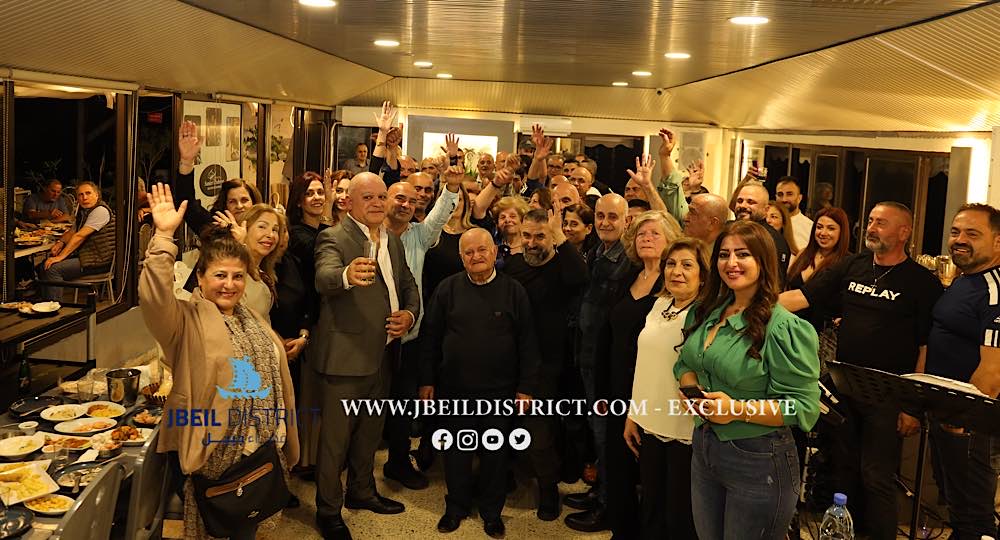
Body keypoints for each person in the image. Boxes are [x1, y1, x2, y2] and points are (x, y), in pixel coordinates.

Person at [140, 184, 299, 539]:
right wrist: (163, 238)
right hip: (213, 459)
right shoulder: (185, 320)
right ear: (200, 277)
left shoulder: (250, 316)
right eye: (220, 275)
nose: (230, 284)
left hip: (257, 454)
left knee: (245, 531)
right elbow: (154, 298)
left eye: (237, 276)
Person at [779, 201, 943, 539]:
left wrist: (912, 407)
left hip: (888, 394)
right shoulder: (853, 265)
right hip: (845, 386)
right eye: (870, 220)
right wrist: (745, 304)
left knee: (876, 476)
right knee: (843, 470)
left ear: (904, 232)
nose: (871, 228)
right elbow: (803, 298)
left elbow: (926, 347)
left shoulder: (921, 282)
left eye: (881, 223)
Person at [675, 220, 820, 540]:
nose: (731, 263)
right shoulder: (707, 310)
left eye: (743, 254)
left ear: (763, 261)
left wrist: (737, 410)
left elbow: (802, 407)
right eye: (723, 254)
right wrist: (689, 389)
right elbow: (685, 361)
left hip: (759, 459)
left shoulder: (783, 327)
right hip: (705, 448)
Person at [311, 172, 420, 540]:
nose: (377, 203)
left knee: (370, 434)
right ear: (349, 202)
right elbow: (324, 277)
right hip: (346, 357)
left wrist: (409, 315)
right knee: (335, 442)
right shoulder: (334, 237)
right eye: (368, 197)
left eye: (381, 196)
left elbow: (408, 285)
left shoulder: (393, 240)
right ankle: (328, 511)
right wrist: (346, 274)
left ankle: (361, 491)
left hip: (384, 354)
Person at [419, 228, 540, 539]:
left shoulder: (514, 291)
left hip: (500, 392)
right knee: (456, 453)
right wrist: (426, 381)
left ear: (494, 252)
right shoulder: (447, 289)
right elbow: (430, 338)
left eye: (482, 250)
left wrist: (525, 387)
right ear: (462, 258)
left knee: (494, 455)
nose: (476, 257)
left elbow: (528, 342)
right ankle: (456, 507)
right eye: (469, 252)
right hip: (454, 390)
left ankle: (491, 512)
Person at [504, 208, 589, 521]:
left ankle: (548, 489)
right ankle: (508, 475)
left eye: (540, 236)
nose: (531, 242)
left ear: (552, 237)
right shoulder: (513, 266)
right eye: (526, 235)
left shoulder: (563, 266)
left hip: (547, 364)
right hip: (512, 361)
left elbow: (581, 277)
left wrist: (560, 236)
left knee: (540, 432)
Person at [381, 158, 461, 491]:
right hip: (374, 336)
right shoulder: (371, 234)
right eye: (399, 198)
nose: (405, 205)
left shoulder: (420, 235)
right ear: (386, 199)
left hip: (410, 334)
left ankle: (398, 463)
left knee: (403, 403)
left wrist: (452, 187)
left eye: (412, 201)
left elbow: (440, 215)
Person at [604, 210, 681, 538]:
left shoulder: (674, 283)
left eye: (654, 233)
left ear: (671, 240)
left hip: (653, 387)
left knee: (650, 472)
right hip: (618, 384)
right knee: (617, 465)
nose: (646, 238)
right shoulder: (628, 276)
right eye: (641, 234)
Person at [926, 203, 1000, 539]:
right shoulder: (967, 279)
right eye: (955, 232)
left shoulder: (995, 289)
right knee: (958, 512)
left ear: (997, 242)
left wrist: (960, 422)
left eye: (972, 233)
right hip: (948, 417)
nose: (959, 240)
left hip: (970, 426)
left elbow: (992, 374)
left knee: (974, 520)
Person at [625, 237, 707, 540]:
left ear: (703, 274)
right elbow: (645, 365)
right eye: (671, 264)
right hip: (650, 421)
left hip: (685, 429)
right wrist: (634, 413)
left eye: (687, 265)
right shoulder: (659, 304)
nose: (677, 271)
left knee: (679, 516)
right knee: (651, 507)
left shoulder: (706, 314)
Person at [565, 193, 635, 533]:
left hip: (607, 363)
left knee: (607, 436)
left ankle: (609, 504)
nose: (605, 222)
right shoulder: (596, 252)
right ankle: (600, 492)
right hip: (587, 356)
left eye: (613, 217)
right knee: (596, 432)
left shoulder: (628, 261)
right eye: (601, 216)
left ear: (627, 221)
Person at [39, 181, 116, 301]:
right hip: (88, 257)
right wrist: (60, 243)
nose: (84, 197)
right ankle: (45, 304)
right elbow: (72, 231)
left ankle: (55, 307)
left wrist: (60, 257)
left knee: (53, 269)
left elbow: (79, 236)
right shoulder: (84, 211)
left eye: (88, 193)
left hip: (99, 261)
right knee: (43, 266)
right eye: (80, 194)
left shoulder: (100, 211)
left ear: (97, 195)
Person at [213, 204, 283, 324]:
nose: (270, 235)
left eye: (275, 230)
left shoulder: (262, 273)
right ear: (244, 229)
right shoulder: (231, 270)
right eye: (262, 227)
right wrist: (240, 245)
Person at [785, 207, 851, 333]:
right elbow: (787, 286)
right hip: (790, 327)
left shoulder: (847, 262)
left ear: (842, 232)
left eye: (831, 228)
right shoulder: (803, 254)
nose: (823, 233)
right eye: (819, 227)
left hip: (820, 334)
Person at [732, 180, 791, 286]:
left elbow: (773, 283)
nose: (743, 205)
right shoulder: (729, 231)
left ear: (766, 209)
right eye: (740, 201)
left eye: (751, 202)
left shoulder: (772, 239)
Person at [776, 177, 813, 250]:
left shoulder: (810, 228)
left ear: (799, 198)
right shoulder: (768, 223)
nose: (784, 199)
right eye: (780, 194)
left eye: (789, 194)